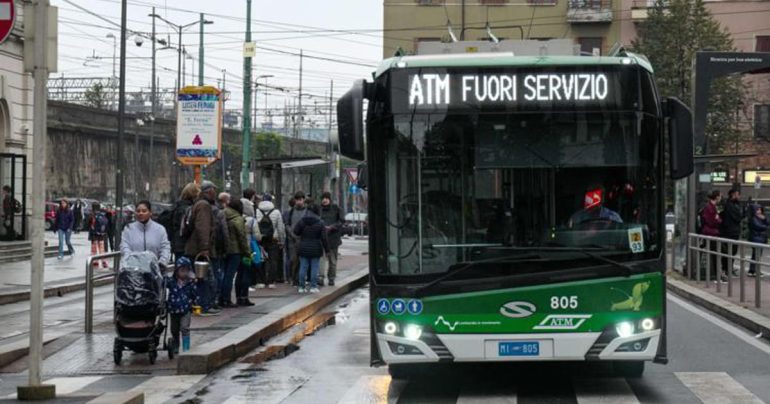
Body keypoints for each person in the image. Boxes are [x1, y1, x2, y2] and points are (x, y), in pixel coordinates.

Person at [184, 181, 221, 316]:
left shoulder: (197, 204)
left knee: (200, 277)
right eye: (213, 191)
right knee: (205, 278)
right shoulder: (204, 206)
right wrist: (205, 247)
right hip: (199, 249)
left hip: (194, 247)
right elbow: (203, 228)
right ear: (208, 191)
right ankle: (204, 305)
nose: (215, 194)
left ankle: (200, 304)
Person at [119, 200, 171, 265]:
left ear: (150, 212)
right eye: (138, 211)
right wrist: (130, 260)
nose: (141, 213)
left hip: (154, 269)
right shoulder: (128, 229)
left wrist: (162, 262)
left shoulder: (160, 229)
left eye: (144, 211)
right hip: (134, 269)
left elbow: (165, 248)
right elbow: (124, 247)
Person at [293, 202, 329, 294]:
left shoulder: (302, 221)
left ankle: (301, 286)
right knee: (314, 268)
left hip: (303, 246)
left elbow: (296, 232)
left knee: (303, 267)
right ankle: (313, 286)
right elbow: (324, 238)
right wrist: (327, 250)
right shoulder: (320, 222)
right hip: (316, 247)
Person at [224, 198, 253, 306]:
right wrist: (247, 251)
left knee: (226, 274)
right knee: (236, 274)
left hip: (225, 249)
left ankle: (224, 298)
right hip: (236, 250)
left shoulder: (223, 214)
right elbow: (242, 237)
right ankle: (237, 298)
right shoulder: (237, 219)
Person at [254, 193, 286, 289]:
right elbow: (280, 227)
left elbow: (254, 226)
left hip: (261, 239)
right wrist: (281, 240)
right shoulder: (276, 212)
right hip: (273, 239)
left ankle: (260, 281)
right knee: (273, 260)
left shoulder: (257, 211)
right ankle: (271, 281)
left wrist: (257, 237)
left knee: (260, 259)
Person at [166, 256, 197, 353]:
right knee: (174, 330)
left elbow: (195, 294)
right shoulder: (172, 281)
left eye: (186, 271)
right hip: (174, 309)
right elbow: (164, 283)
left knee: (185, 328)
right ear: (177, 271)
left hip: (185, 309)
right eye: (182, 270)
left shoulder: (190, 283)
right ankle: (176, 345)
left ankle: (186, 348)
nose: (184, 273)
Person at [319, 192, 343, 286]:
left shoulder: (336, 208)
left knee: (332, 260)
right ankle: (321, 277)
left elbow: (341, 221)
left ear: (329, 199)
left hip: (333, 238)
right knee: (321, 259)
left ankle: (331, 278)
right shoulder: (319, 209)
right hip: (321, 238)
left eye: (326, 198)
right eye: (323, 198)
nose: (324, 200)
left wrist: (332, 227)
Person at [171, 183, 200, 259]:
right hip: (186, 245)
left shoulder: (178, 206)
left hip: (178, 244)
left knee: (180, 268)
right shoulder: (189, 209)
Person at [286, 192, 308, 286]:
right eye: (297, 199)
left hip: (303, 239)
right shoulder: (291, 212)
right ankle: (291, 277)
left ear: (303, 200)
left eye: (300, 199)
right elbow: (287, 224)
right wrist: (292, 233)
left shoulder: (307, 211)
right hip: (292, 239)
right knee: (292, 260)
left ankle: (298, 279)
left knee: (302, 260)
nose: (299, 201)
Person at [720, 189, 743, 279]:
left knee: (732, 251)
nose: (739, 196)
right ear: (733, 195)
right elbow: (738, 217)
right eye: (738, 194)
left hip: (732, 231)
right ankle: (726, 269)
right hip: (729, 231)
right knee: (729, 251)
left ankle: (728, 268)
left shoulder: (734, 205)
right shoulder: (730, 205)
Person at [700, 190, 722, 281]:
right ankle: (717, 276)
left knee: (715, 254)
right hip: (711, 233)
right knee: (716, 254)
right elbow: (712, 221)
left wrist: (717, 219)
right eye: (720, 196)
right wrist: (718, 220)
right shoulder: (710, 207)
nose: (721, 198)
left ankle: (718, 274)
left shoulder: (712, 206)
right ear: (717, 197)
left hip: (710, 232)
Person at [748, 203, 768, 277]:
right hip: (756, 237)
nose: (759, 211)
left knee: (756, 255)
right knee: (757, 255)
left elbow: (767, 223)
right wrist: (765, 226)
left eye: (760, 209)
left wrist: (764, 219)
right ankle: (755, 270)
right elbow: (758, 226)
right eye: (757, 209)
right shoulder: (753, 218)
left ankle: (752, 270)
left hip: (760, 237)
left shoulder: (760, 217)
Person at [88, 203, 110, 268]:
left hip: (94, 234)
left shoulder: (92, 214)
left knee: (94, 249)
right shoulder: (102, 214)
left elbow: (89, 224)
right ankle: (104, 261)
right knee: (101, 248)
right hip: (101, 234)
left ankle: (95, 262)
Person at [282, 198, 296, 283]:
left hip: (287, 237)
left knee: (287, 258)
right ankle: (291, 276)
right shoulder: (293, 213)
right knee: (293, 258)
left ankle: (288, 277)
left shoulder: (285, 213)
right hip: (292, 238)